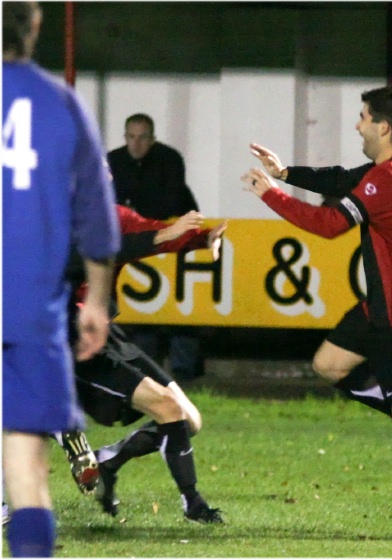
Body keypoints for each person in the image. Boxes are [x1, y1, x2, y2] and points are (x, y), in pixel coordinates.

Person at [244, 84, 392, 503]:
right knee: (329, 364)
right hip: (384, 305)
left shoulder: (390, 178)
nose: (358, 126)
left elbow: (329, 225)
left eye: (363, 118)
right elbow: (339, 179)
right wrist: (286, 174)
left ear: (384, 126)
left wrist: (270, 194)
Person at [2, 2, 120, 556]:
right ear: (35, 28)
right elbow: (98, 221)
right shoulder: (61, 104)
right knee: (27, 468)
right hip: (31, 311)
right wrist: (96, 301)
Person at [64, 205, 227, 524]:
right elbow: (91, 254)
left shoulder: (109, 213)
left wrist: (202, 239)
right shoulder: (50, 216)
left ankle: (108, 462)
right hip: (74, 341)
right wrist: (163, 233)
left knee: (189, 420)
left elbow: (150, 231)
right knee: (168, 408)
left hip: (106, 334)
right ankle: (193, 504)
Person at [107, 113, 203, 382]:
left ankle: (184, 373)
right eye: (131, 137)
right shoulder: (113, 161)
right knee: (141, 315)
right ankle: (144, 370)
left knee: (181, 308)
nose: (136, 144)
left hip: (168, 240)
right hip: (140, 240)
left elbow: (171, 203)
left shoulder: (169, 160)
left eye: (142, 138)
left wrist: (137, 217)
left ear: (153, 138)